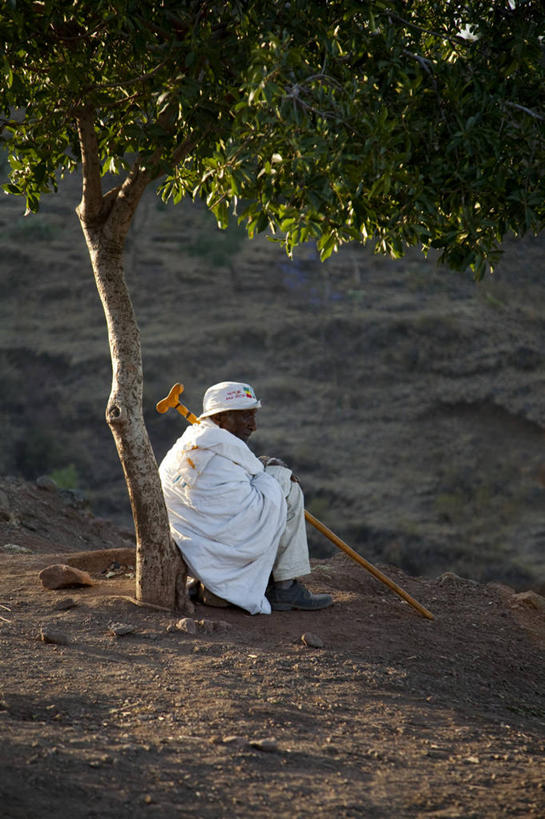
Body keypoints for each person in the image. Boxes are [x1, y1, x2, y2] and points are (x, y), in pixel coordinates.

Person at [159, 381, 333, 615]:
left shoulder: (188, 441)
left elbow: (236, 478)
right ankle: (286, 587)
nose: (253, 425)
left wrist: (263, 468)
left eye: (253, 415)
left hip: (194, 546)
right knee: (287, 484)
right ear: (219, 418)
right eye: (245, 416)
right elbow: (247, 491)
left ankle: (210, 582)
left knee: (273, 478)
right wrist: (276, 472)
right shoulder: (221, 445)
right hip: (225, 540)